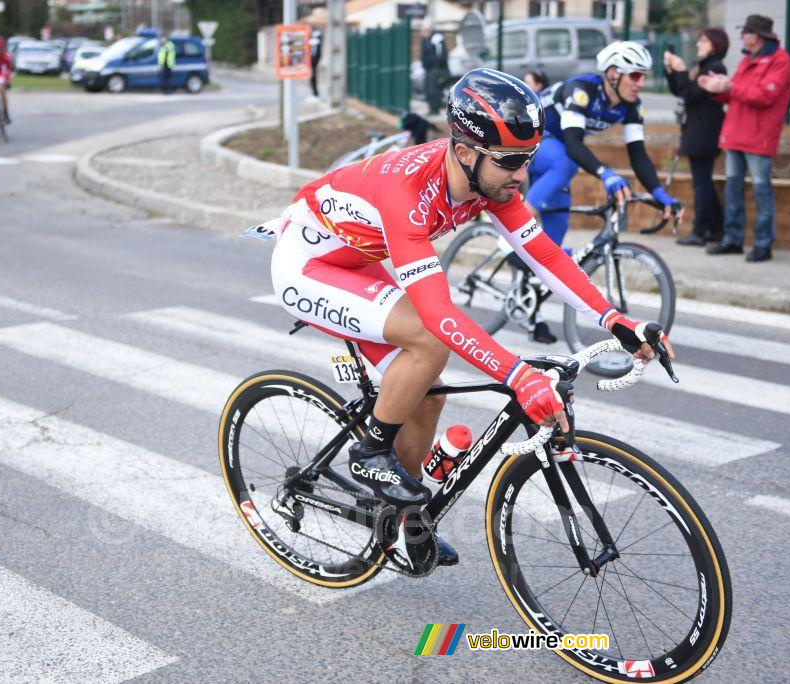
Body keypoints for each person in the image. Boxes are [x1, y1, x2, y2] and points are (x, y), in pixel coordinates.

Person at [267, 68, 673, 566]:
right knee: (429, 341)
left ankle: (397, 520)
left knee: (428, 392)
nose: (522, 175)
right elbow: (438, 313)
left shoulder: (488, 181)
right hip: (308, 265)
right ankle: (371, 451)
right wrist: (519, 376)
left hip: (358, 259)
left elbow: (545, 256)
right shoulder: (409, 191)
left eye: (527, 158)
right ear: (464, 152)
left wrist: (617, 321)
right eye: (510, 162)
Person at [526, 41, 682, 342]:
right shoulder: (581, 89)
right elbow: (574, 144)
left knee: (551, 241)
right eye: (635, 76)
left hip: (557, 154)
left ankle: (530, 310)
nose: (642, 83)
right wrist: (606, 175)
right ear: (612, 73)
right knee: (565, 161)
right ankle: (515, 229)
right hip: (530, 141)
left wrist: (661, 194)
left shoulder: (631, 106)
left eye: (644, 76)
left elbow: (638, 155)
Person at [699, 15, 790, 262]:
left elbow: (765, 96)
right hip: (736, 134)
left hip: (759, 137)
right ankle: (733, 240)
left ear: (758, 36)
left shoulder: (780, 61)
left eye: (746, 32)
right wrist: (716, 89)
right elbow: (736, 96)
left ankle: (763, 244)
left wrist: (729, 86)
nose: (741, 37)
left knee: (762, 192)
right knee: (733, 190)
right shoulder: (747, 60)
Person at [664, 29, 729, 246]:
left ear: (715, 45)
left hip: (704, 132)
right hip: (698, 130)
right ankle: (716, 229)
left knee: (701, 183)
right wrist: (672, 71)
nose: (699, 43)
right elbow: (679, 90)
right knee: (704, 183)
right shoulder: (703, 66)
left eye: (704, 41)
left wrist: (681, 70)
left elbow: (690, 95)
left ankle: (700, 231)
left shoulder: (714, 68)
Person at [420, 25, 448, 115]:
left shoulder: (435, 39)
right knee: (429, 90)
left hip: (435, 70)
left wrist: (435, 65)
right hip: (430, 69)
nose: (421, 34)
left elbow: (440, 54)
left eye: (423, 31)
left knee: (433, 90)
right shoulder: (426, 41)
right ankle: (432, 108)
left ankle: (435, 109)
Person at [308, 28, 322, 98]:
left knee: (313, 77)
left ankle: (315, 93)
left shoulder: (315, 40)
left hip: (313, 61)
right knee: (312, 77)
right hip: (311, 61)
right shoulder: (313, 40)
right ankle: (314, 93)